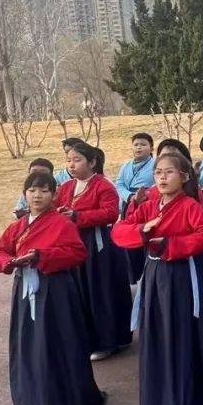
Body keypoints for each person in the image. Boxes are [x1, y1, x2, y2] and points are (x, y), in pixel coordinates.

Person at [0, 171, 104, 405]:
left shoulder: (62, 223)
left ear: (53, 194)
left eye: (43, 190)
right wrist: (10, 262)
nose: (37, 196)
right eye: (32, 190)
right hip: (25, 291)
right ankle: (34, 400)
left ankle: (66, 398)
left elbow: (77, 253)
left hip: (56, 291)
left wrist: (41, 256)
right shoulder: (18, 226)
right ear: (25, 194)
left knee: (59, 341)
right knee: (30, 343)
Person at [112, 152, 203, 405]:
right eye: (158, 172)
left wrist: (171, 244)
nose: (162, 177)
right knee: (156, 335)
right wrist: (142, 231)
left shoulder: (190, 206)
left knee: (180, 335)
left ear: (184, 177)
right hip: (154, 276)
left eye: (169, 172)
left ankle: (186, 404)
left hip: (180, 276)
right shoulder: (149, 206)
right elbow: (119, 232)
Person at [55, 142, 133, 361]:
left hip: (97, 246)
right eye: (69, 160)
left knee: (100, 291)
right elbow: (54, 206)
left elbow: (111, 213)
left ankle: (107, 341)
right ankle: (85, 340)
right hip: (73, 244)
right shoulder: (66, 187)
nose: (71, 165)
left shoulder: (103, 185)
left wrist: (77, 216)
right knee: (79, 292)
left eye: (77, 160)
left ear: (92, 162)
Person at [113, 133, 156, 280]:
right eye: (136, 144)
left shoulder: (155, 165)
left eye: (143, 144)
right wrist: (130, 197)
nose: (139, 148)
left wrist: (143, 197)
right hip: (129, 202)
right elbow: (119, 184)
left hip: (146, 203)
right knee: (129, 235)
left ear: (151, 148)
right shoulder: (126, 165)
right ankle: (133, 275)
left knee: (144, 236)